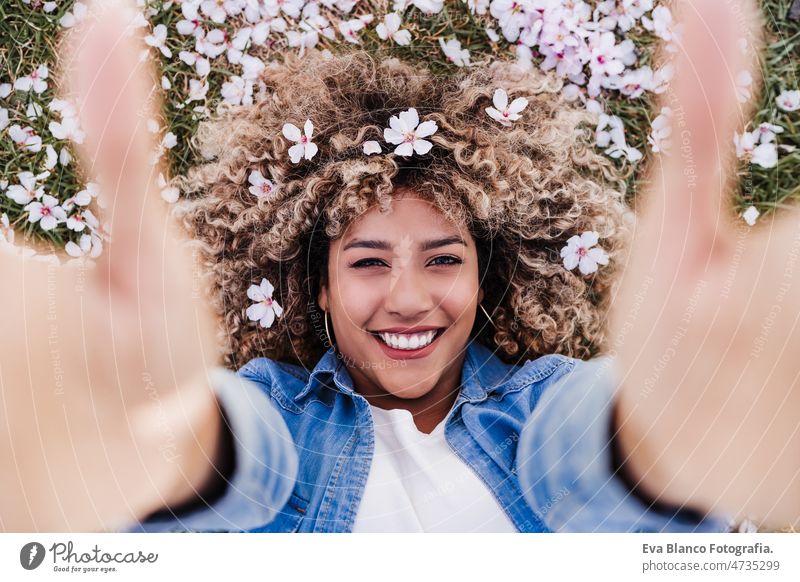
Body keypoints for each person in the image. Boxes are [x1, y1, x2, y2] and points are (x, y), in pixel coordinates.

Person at [1, 0, 796, 533]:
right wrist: (157, 447)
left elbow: (586, 452)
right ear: (317, 283)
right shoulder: (271, 412)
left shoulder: (547, 401)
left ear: (487, 276)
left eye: (444, 258)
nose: (408, 298)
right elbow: (234, 463)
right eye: (368, 261)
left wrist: (653, 454)